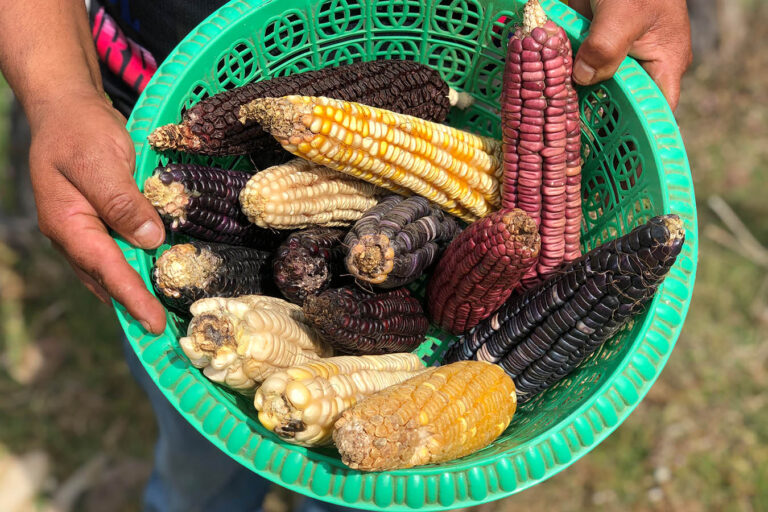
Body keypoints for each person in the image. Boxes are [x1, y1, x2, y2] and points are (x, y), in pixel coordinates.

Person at [0, 1, 692, 511]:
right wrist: (57, 88)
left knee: (364, 487)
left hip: (444, 31)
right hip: (147, 80)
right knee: (198, 465)